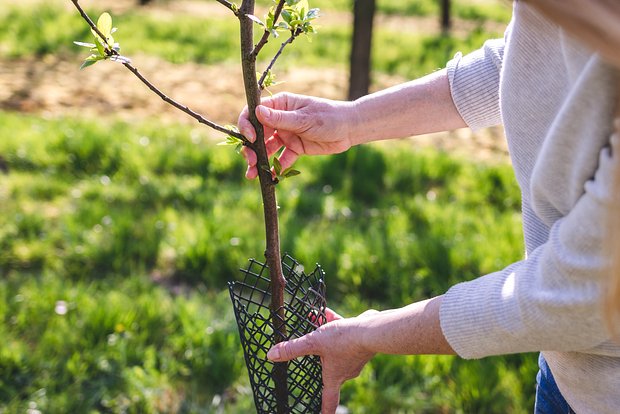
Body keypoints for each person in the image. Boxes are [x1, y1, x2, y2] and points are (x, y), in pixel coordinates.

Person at [238, 1, 620, 412]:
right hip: (565, 375)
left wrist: (369, 334)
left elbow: (576, 294)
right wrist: (351, 120)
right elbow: (533, 57)